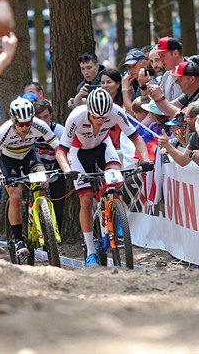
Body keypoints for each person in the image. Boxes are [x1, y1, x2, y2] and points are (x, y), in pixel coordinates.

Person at [56, 89, 151, 267]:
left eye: (104, 118)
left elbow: (136, 138)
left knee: (116, 180)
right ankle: (91, 251)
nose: (100, 121)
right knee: (86, 200)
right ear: (88, 111)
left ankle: (117, 217)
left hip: (103, 147)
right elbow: (61, 150)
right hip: (79, 154)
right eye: (96, 117)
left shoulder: (116, 111)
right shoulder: (76, 116)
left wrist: (145, 159)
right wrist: (67, 169)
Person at [0, 97, 59, 264]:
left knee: (42, 181)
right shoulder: (3, 132)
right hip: (8, 160)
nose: (26, 127)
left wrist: (66, 165)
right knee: (16, 196)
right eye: (21, 124)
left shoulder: (39, 126)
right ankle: (19, 239)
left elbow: (59, 147)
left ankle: (44, 221)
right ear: (13, 120)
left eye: (28, 123)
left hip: (29, 156)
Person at [33, 99, 66, 234]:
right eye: (38, 118)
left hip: (55, 172)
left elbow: (66, 153)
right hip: (35, 170)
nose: (43, 121)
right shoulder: (28, 132)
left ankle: (54, 238)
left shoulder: (59, 131)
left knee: (58, 208)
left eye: (46, 117)